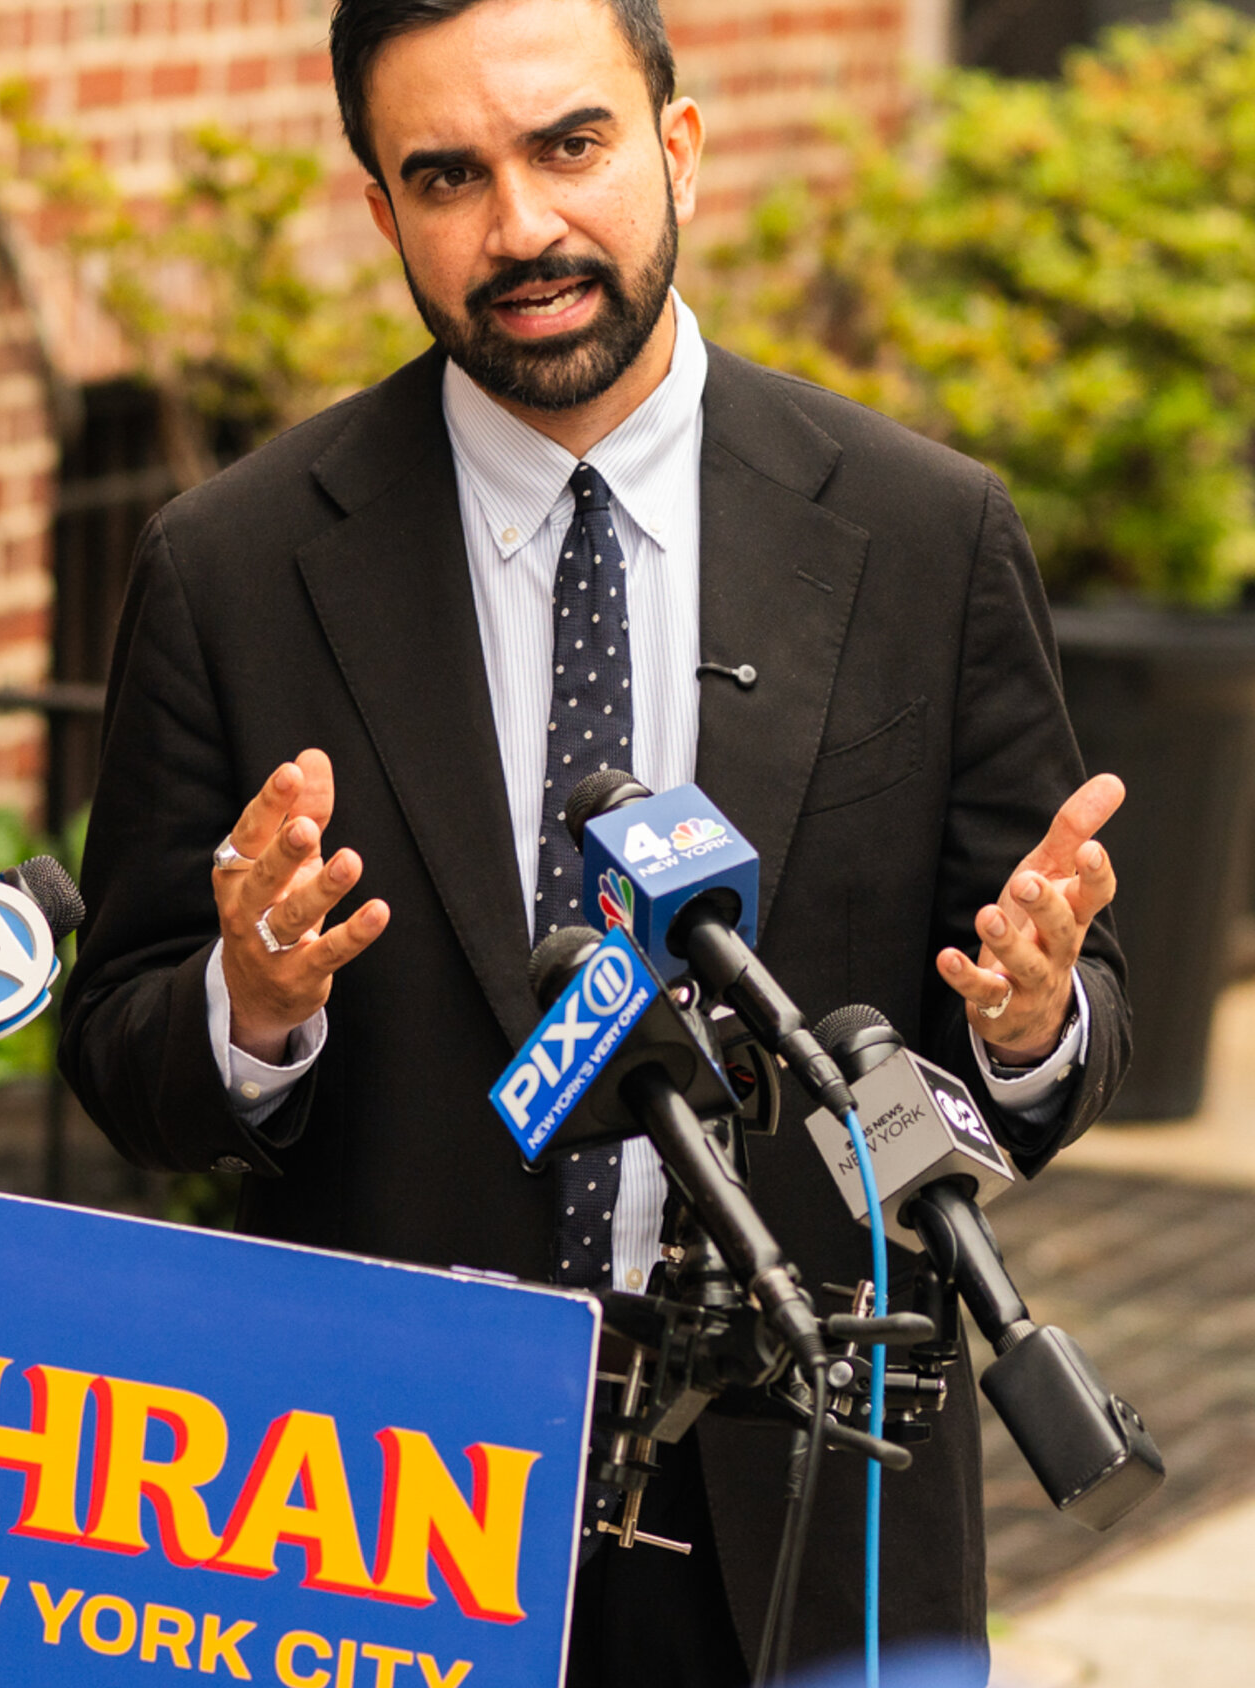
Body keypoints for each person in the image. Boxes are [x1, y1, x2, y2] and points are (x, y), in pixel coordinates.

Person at [55, 0, 1128, 1680]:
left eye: (570, 146)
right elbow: (123, 1054)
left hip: (812, 1500)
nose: (522, 227)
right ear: (382, 212)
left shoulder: (924, 534)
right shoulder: (232, 564)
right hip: (374, 1514)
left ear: (675, 145)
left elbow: (1061, 1037)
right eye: (449, 175)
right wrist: (250, 1008)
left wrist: (1024, 1024)